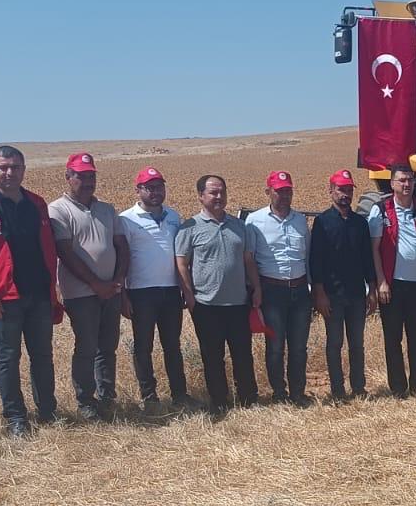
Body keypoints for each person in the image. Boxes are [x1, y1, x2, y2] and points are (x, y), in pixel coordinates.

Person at [0, 144, 63, 437]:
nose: (9, 173)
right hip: (5, 297)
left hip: (39, 294)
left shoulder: (37, 204)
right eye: (3, 167)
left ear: (23, 170)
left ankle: (48, 411)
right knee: (8, 357)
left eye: (15, 167)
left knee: (42, 355)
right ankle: (16, 417)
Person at [49, 153, 130, 422]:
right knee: (86, 347)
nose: (87, 181)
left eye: (91, 176)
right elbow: (65, 253)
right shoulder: (58, 210)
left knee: (108, 346)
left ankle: (107, 398)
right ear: (68, 177)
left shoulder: (107, 209)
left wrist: (118, 280)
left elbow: (121, 245)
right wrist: (97, 284)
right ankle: (86, 401)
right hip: (81, 294)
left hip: (111, 290)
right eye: (81, 176)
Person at [174, 174, 262, 416]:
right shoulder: (189, 228)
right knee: (213, 357)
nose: (219, 196)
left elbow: (248, 260)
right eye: (213, 192)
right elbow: (181, 264)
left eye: (222, 191)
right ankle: (219, 401)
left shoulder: (239, 226)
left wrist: (257, 288)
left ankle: (248, 398)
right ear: (200, 196)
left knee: (242, 354)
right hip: (206, 304)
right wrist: (189, 296)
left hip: (238, 303)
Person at [118, 166, 189, 410]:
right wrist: (123, 295)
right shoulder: (126, 219)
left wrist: (184, 288)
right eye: (149, 188)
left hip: (171, 290)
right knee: (143, 347)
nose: (155, 192)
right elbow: (121, 259)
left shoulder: (174, 216)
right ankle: (149, 397)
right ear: (138, 190)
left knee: (173, 346)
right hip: (141, 292)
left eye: (159, 187)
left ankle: (180, 395)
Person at [366, 165, 416, 398]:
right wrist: (381, 282)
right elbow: (374, 249)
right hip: (392, 285)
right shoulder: (381, 210)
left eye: (410, 180)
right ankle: (398, 387)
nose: (406, 184)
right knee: (393, 338)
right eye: (402, 180)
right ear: (392, 184)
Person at [309, 169, 378, 402]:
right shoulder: (322, 222)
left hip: (357, 294)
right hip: (332, 295)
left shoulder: (360, 223)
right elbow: (316, 261)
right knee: (335, 343)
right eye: (341, 189)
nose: (345, 194)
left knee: (357, 344)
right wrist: (319, 293)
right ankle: (337, 390)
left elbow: (367, 259)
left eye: (349, 190)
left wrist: (372, 290)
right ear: (331, 191)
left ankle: (358, 387)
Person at [246, 171, 313, 406]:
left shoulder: (300, 220)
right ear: (268, 192)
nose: (284, 196)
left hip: (300, 291)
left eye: (288, 191)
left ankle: (298, 392)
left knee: (299, 347)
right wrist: (256, 289)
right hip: (272, 291)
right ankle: (279, 393)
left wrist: (312, 288)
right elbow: (249, 258)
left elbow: (307, 256)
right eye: (279, 191)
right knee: (275, 347)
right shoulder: (254, 221)